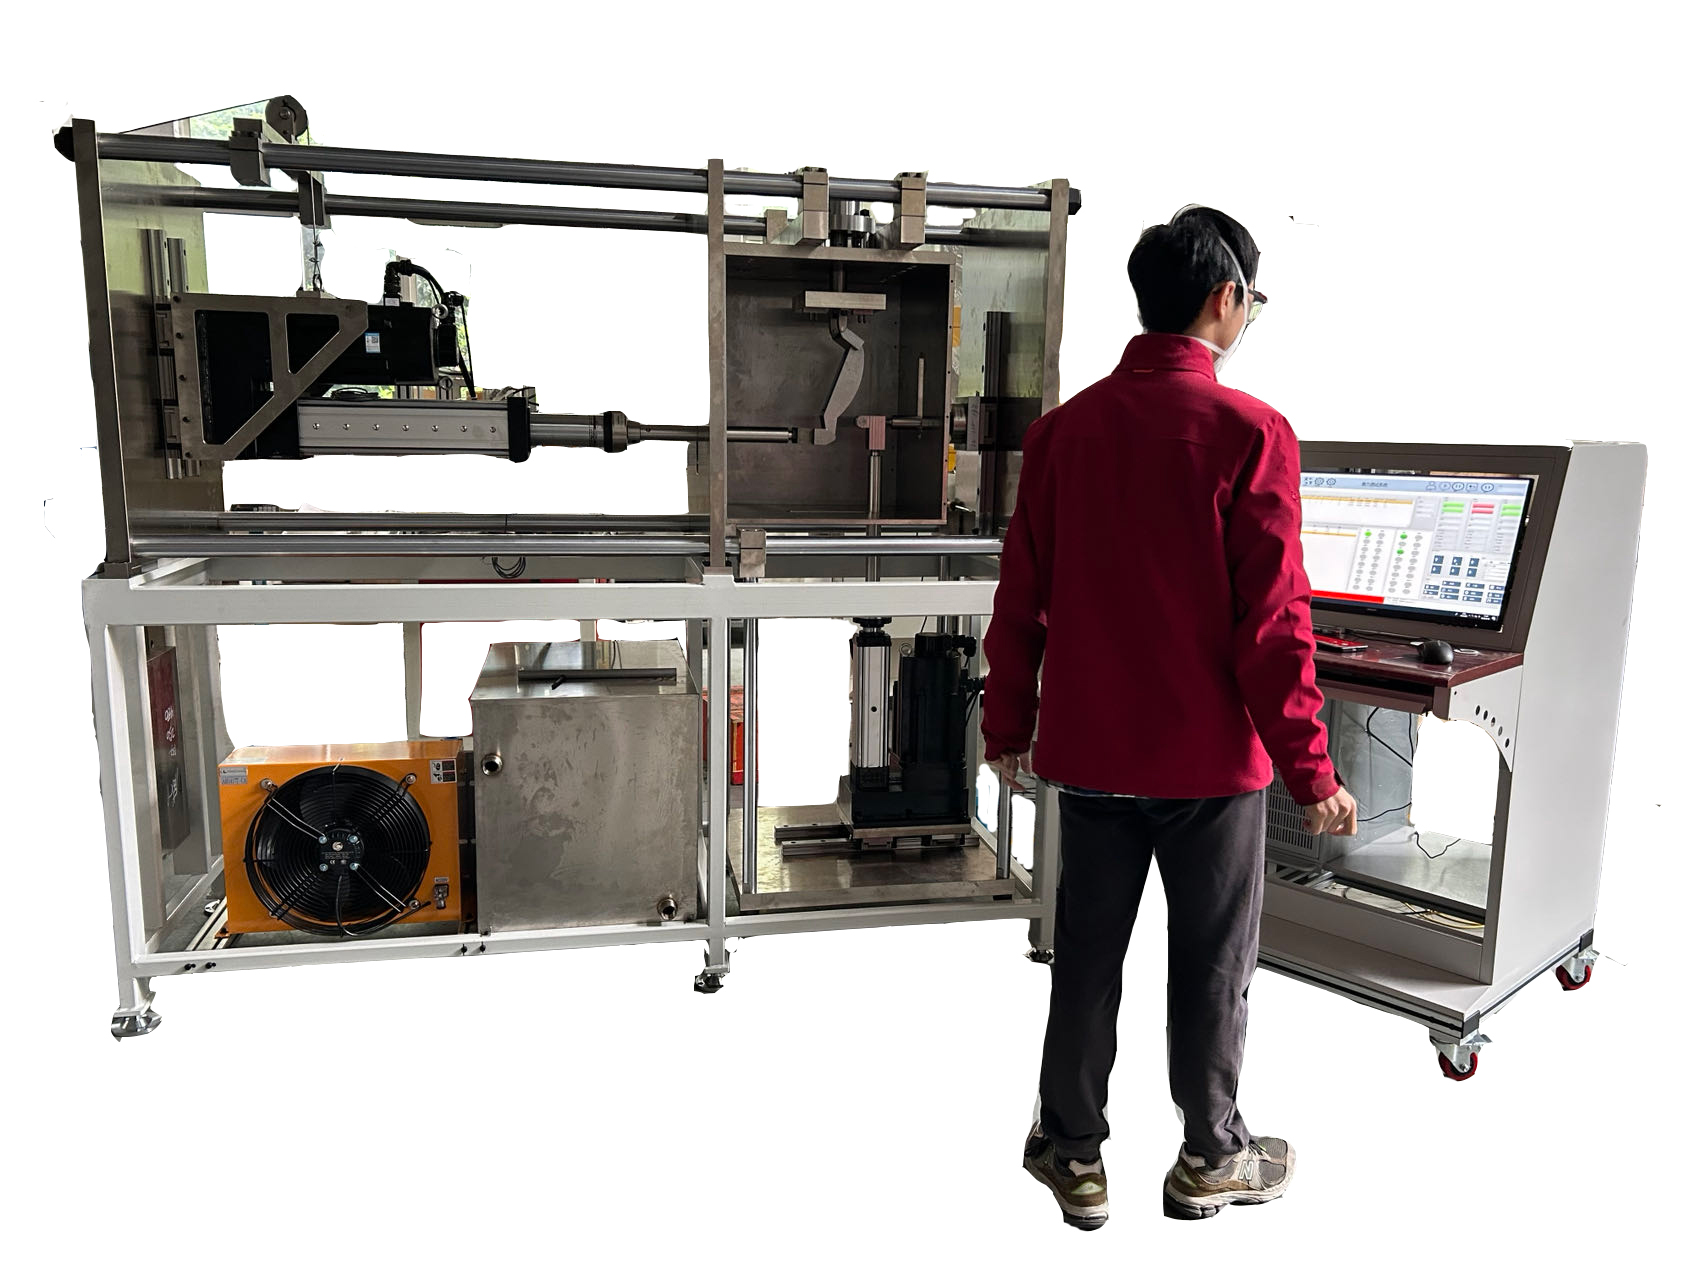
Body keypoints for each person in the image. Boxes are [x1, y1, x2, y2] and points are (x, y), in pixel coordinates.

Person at [980, 205, 1358, 1229]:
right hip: (1207, 768)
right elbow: (1272, 627)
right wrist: (1312, 773)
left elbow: (1020, 599)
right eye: (1251, 298)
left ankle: (1072, 1155)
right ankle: (1209, 1157)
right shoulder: (1252, 434)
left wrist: (1005, 728)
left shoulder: (1062, 434)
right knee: (1210, 967)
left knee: (1084, 959)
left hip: (1091, 756)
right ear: (1225, 298)